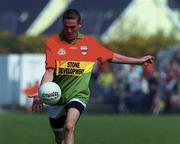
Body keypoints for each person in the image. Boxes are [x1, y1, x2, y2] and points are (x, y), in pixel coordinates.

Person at [32, 9, 154, 144]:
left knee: (69, 126)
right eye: (66, 27)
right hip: (56, 97)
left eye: (72, 27)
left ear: (80, 25)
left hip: (78, 95)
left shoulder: (90, 44)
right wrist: (40, 93)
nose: (69, 31)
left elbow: (112, 56)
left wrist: (137, 61)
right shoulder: (52, 43)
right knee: (60, 138)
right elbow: (49, 71)